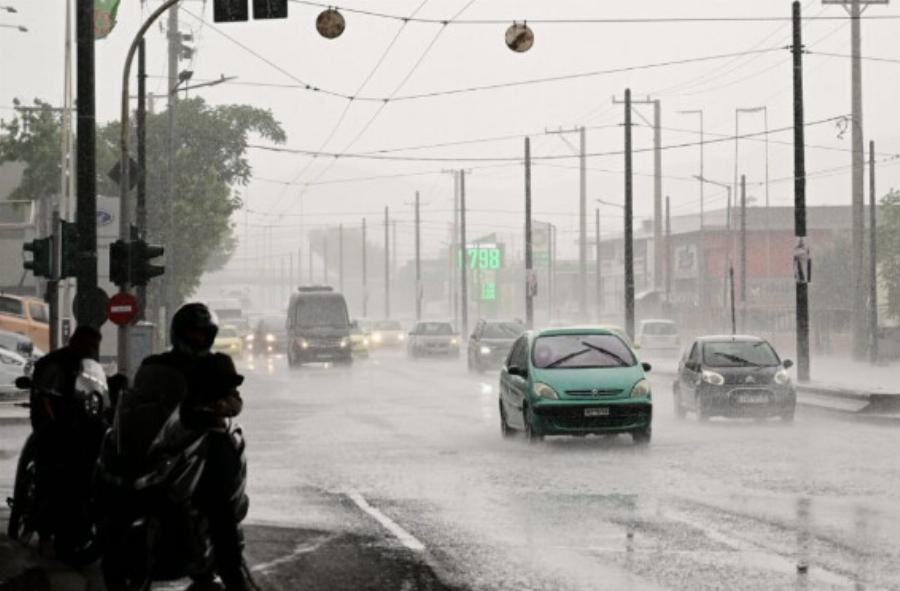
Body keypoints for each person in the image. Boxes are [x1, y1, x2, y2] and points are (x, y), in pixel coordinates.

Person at [136, 303, 253, 591]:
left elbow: (234, 401)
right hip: (165, 440)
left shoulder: (218, 365)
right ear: (178, 333)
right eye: (192, 333)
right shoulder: (157, 364)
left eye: (204, 334)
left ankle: (232, 573)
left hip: (205, 439)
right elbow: (138, 396)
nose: (198, 339)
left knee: (218, 505)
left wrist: (219, 405)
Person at [29, 325, 105, 563]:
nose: (91, 349)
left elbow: (100, 391)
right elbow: (43, 396)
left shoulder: (91, 368)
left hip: (85, 427)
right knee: (48, 469)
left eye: (95, 345)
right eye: (88, 343)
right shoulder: (54, 364)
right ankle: (42, 527)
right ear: (75, 341)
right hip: (56, 427)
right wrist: (52, 419)